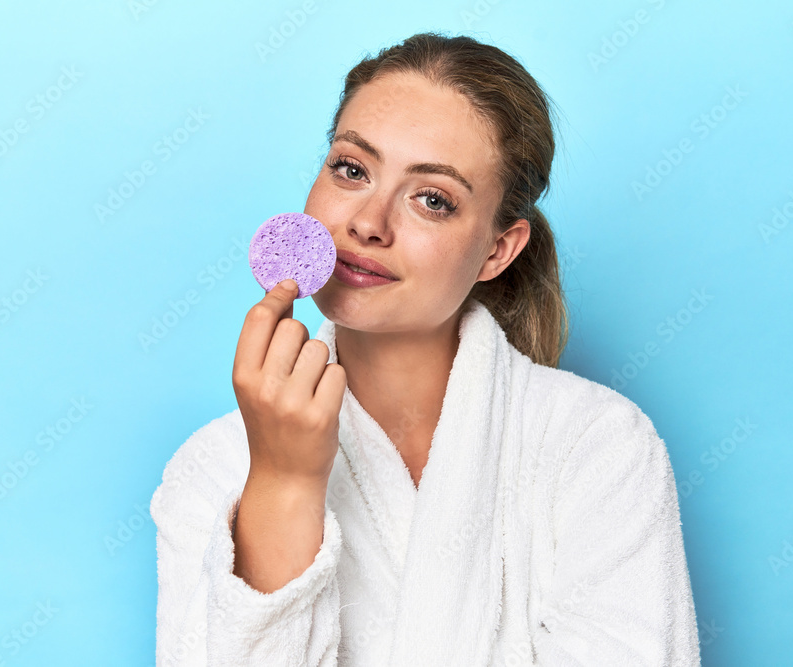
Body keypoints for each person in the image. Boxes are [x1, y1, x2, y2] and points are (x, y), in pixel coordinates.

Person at [151, 31, 701, 666]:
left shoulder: (597, 447)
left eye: (433, 200)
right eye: (351, 169)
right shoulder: (213, 470)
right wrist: (283, 482)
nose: (367, 222)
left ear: (497, 250)